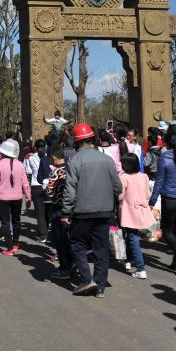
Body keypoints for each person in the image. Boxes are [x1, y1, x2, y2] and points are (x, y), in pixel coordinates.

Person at [62, 123, 121, 296]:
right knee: (101, 248)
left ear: (76, 142)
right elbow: (117, 187)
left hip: (82, 212)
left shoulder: (75, 161)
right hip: (105, 212)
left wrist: (66, 212)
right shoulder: (107, 160)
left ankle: (87, 279)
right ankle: (100, 286)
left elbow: (70, 190)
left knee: (77, 244)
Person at [149, 126, 176, 275]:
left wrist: (152, 200)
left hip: (170, 199)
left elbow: (159, 181)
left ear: (166, 143)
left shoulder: (164, 157)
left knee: (167, 232)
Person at [0, 139, 31, 255]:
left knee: (5, 223)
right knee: (16, 221)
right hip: (17, 197)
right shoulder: (20, 165)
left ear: (3, 153)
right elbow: (25, 183)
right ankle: (16, 243)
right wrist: (28, 197)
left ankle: (10, 247)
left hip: (3, 198)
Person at [118, 152, 156, 280]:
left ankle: (140, 268)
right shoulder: (144, 176)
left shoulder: (124, 178)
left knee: (131, 237)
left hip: (129, 211)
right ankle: (128, 261)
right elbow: (147, 194)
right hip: (141, 209)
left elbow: (120, 195)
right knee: (131, 236)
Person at [46, 148, 73, 279]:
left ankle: (64, 267)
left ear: (55, 158)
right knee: (69, 238)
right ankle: (72, 264)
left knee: (60, 239)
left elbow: (50, 192)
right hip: (71, 208)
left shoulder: (55, 172)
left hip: (58, 208)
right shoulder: (70, 169)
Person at [26, 139, 51, 242]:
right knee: (47, 210)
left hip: (36, 186)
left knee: (39, 212)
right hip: (48, 186)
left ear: (35, 148)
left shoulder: (30, 158)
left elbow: (28, 171)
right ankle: (46, 231)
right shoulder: (49, 158)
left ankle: (43, 234)